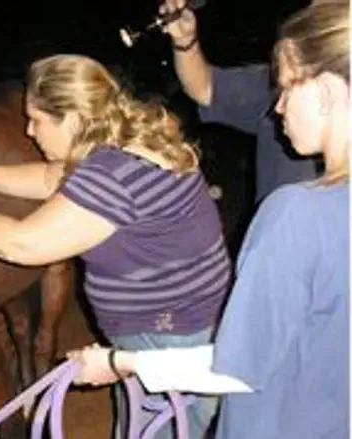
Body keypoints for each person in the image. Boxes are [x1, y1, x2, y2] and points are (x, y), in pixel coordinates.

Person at [0, 54, 232, 439]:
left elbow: (19, 244)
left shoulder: (112, 177)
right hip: (185, 330)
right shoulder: (128, 143)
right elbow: (50, 179)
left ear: (73, 119)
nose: (28, 131)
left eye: (37, 120)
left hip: (166, 342)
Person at [66, 2, 349, 439]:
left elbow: (235, 369)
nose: (277, 107)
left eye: (289, 87)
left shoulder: (296, 215)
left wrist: (118, 362)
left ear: (327, 93)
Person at [160, 0, 322, 205]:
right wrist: (185, 40)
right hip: (270, 233)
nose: (280, 107)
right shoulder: (280, 86)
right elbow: (205, 88)